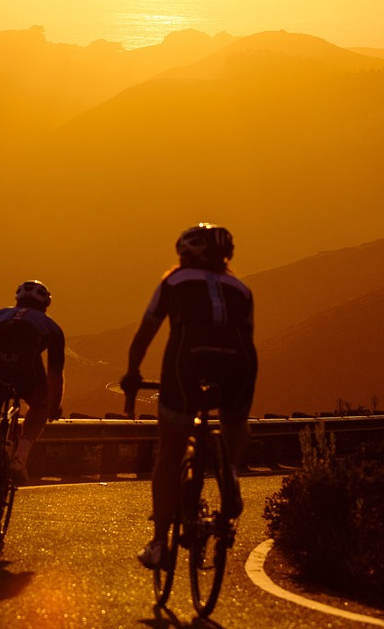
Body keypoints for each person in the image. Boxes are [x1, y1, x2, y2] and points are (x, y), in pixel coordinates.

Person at [121, 223, 256, 570]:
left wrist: (133, 373)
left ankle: (158, 545)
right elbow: (245, 335)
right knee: (235, 420)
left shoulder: (173, 281)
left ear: (184, 254)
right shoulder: (242, 289)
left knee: (169, 453)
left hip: (187, 360)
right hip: (239, 360)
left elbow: (144, 333)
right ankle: (230, 473)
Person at [0, 279, 65, 522]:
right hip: (26, 373)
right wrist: (53, 405)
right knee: (41, 405)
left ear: (17, 299)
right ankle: (20, 457)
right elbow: (54, 375)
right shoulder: (52, 327)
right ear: (46, 305)